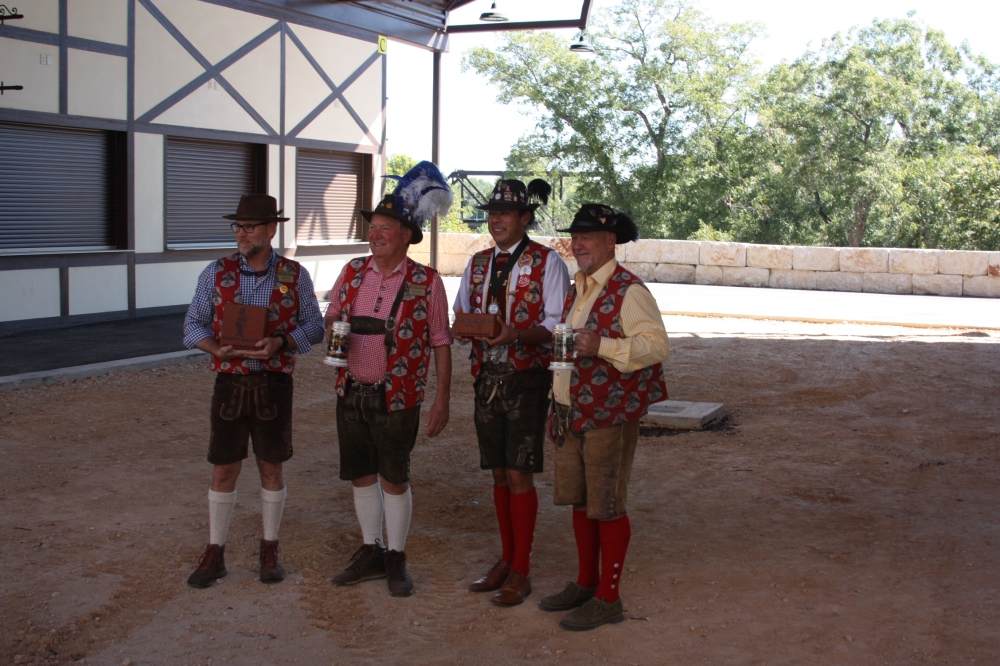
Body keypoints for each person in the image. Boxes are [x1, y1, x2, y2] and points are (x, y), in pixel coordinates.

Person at [182, 194, 325, 588]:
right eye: (238, 227)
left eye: (250, 227)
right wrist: (215, 347)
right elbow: (192, 324)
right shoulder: (215, 272)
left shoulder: (295, 274)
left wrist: (281, 342)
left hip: (274, 383)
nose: (242, 234)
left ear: (271, 230)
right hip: (229, 382)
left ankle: (270, 547)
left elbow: (316, 325)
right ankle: (215, 550)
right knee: (224, 466)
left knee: (270, 466)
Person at [326, 161, 454, 598]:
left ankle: (396, 556)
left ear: (407, 235)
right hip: (350, 392)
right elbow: (332, 318)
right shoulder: (351, 273)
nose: (376, 234)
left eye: (385, 227)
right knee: (361, 474)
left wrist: (442, 399)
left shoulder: (426, 282)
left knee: (394, 478)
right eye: (373, 226)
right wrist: (333, 332)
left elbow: (440, 340)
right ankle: (370, 550)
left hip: (398, 396)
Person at [540, 204, 670, 630]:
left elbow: (655, 347)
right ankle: (585, 582)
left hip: (608, 414)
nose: (577, 244)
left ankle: (609, 597)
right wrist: (553, 403)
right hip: (572, 411)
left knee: (608, 505)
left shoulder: (630, 291)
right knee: (582, 499)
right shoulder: (578, 288)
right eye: (575, 237)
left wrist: (603, 347)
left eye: (587, 237)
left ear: (610, 241)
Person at [454, 178, 570, 606]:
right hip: (486, 377)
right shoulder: (478, 262)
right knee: (499, 472)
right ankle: (506, 559)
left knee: (519, 473)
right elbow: (461, 311)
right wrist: (466, 330)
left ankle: (521, 569)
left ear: (525, 218)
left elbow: (559, 326)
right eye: (492, 212)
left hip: (525, 379)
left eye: (505, 212)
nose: (496, 219)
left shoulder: (547, 262)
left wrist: (514, 334)